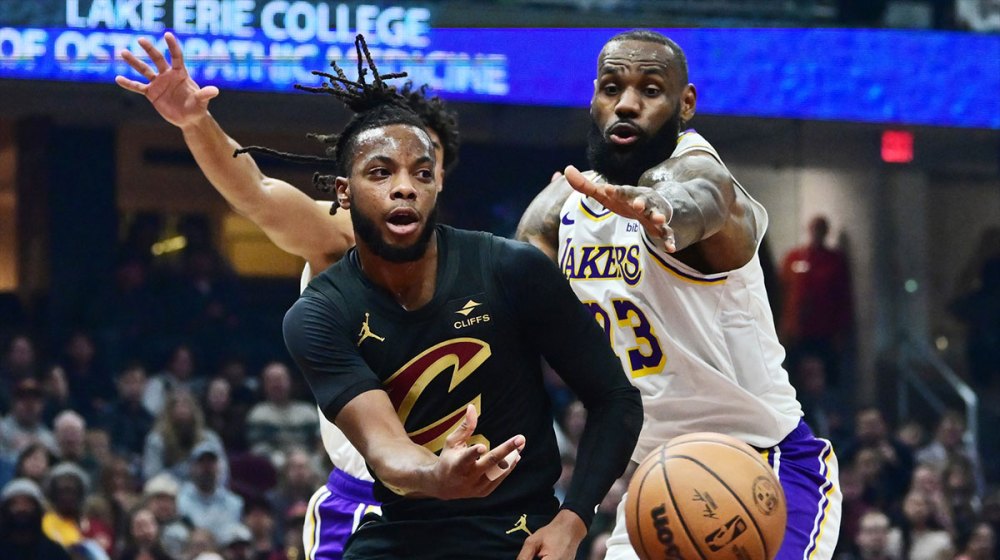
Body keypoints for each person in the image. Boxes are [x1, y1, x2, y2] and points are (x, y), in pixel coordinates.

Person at [251, 35, 637, 559]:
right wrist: (435, 474)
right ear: (343, 192)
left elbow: (614, 397)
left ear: (438, 188)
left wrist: (574, 520)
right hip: (403, 530)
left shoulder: (511, 268)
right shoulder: (318, 312)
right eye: (382, 172)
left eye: (422, 173)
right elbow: (384, 447)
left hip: (520, 531)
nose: (405, 187)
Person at [116, 31, 461, 560]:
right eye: (388, 160)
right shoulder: (339, 239)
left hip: (465, 505)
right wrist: (195, 121)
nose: (407, 179)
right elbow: (255, 193)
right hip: (369, 505)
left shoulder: (479, 263)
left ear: (441, 174)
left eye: (423, 162)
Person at [516, 29, 842, 560]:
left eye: (650, 90)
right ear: (593, 97)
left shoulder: (702, 174)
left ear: (684, 103)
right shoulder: (558, 212)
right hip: (659, 483)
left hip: (761, 469)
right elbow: (504, 306)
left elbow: (702, 199)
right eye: (612, 87)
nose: (626, 103)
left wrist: (660, 210)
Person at [779, 215, 854, 385]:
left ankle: (825, 408)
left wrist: (840, 331)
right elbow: (783, 292)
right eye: (814, 228)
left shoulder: (834, 261)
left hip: (825, 332)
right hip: (797, 330)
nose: (816, 233)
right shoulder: (794, 257)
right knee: (796, 376)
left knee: (827, 377)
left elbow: (843, 298)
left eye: (820, 229)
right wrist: (784, 325)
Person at [0, 478, 72, 560]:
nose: (21, 508)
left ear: (39, 510)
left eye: (28, 503)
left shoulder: (55, 553)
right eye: (14, 503)